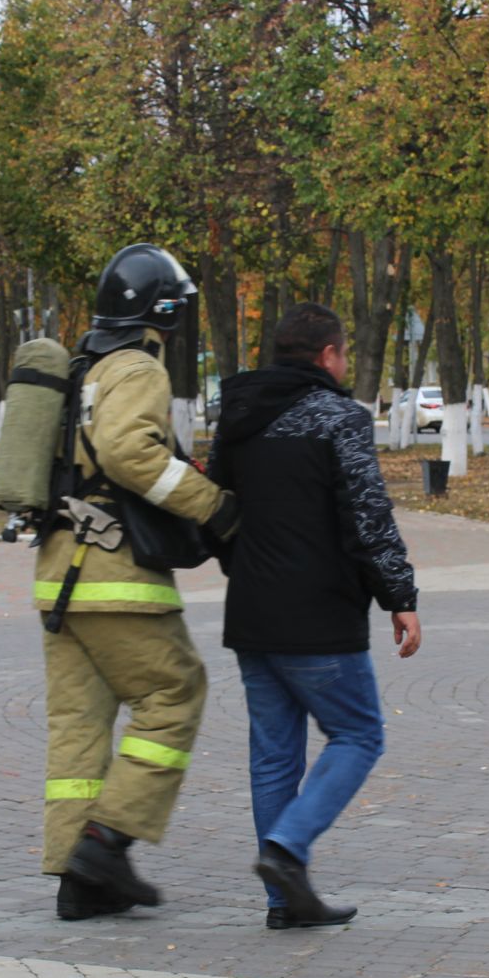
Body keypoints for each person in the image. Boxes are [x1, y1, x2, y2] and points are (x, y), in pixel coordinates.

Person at [36, 243, 240, 921]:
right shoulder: (137, 368)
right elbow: (129, 453)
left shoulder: (80, 368)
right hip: (115, 576)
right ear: (167, 310)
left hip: (59, 575)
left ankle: (77, 881)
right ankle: (107, 841)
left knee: (78, 732)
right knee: (175, 692)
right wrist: (213, 506)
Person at [208, 303, 422, 929]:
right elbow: (368, 513)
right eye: (343, 352)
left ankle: (286, 902)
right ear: (327, 355)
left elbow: (217, 506)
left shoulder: (238, 418)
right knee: (360, 735)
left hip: (252, 610)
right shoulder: (339, 417)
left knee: (275, 756)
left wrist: (242, 567)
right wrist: (400, 596)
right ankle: (286, 850)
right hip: (319, 615)